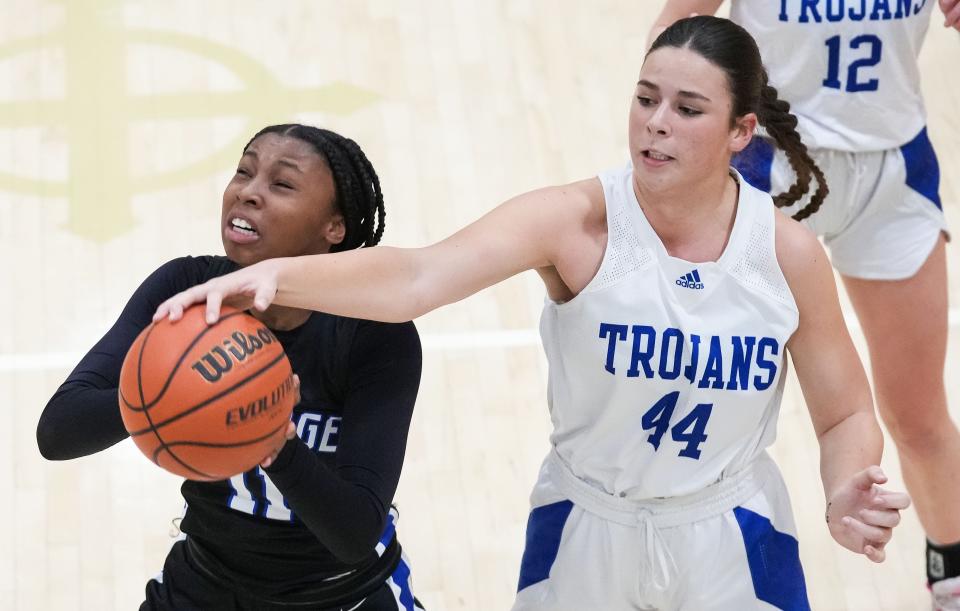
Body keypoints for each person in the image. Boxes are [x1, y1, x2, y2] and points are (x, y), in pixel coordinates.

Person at [154, 18, 911, 610]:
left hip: (731, 528)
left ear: (740, 132)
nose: (655, 123)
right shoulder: (574, 221)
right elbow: (419, 274)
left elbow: (844, 412)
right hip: (587, 527)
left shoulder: (787, 254)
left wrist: (847, 484)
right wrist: (276, 277)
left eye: (687, 109)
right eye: (645, 99)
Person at [36, 124, 425, 611]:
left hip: (342, 595)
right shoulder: (187, 287)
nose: (248, 193)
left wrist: (274, 441)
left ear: (335, 227)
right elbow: (57, 432)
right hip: (204, 583)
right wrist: (175, 393)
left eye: (281, 185)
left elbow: (354, 531)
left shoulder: (373, 331)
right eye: (244, 172)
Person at [648, 1, 960, 607]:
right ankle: (664, 571)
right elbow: (671, 31)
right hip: (767, 163)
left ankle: (953, 583)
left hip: (892, 167)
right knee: (702, 394)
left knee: (918, 415)